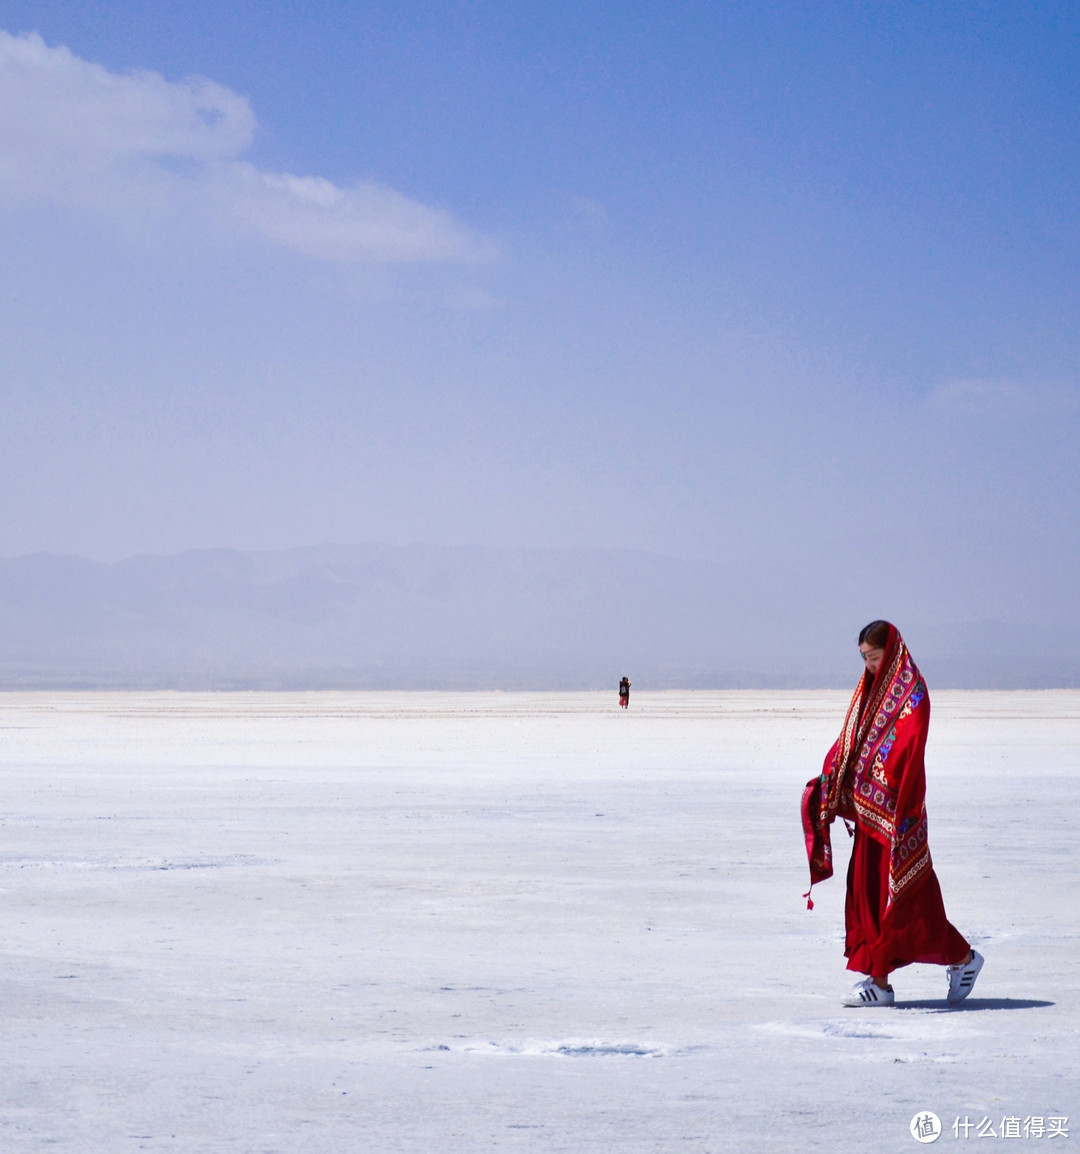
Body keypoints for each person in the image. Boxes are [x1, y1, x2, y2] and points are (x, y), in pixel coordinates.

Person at [800, 621, 984, 1007]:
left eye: (875, 657)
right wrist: (832, 774)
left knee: (907, 903)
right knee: (869, 893)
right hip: (870, 814)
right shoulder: (870, 690)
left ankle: (898, 977)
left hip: (898, 814)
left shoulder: (911, 693)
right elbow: (853, 739)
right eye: (864, 658)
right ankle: (902, 975)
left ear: (892, 651)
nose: (868, 666)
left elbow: (906, 746)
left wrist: (884, 786)